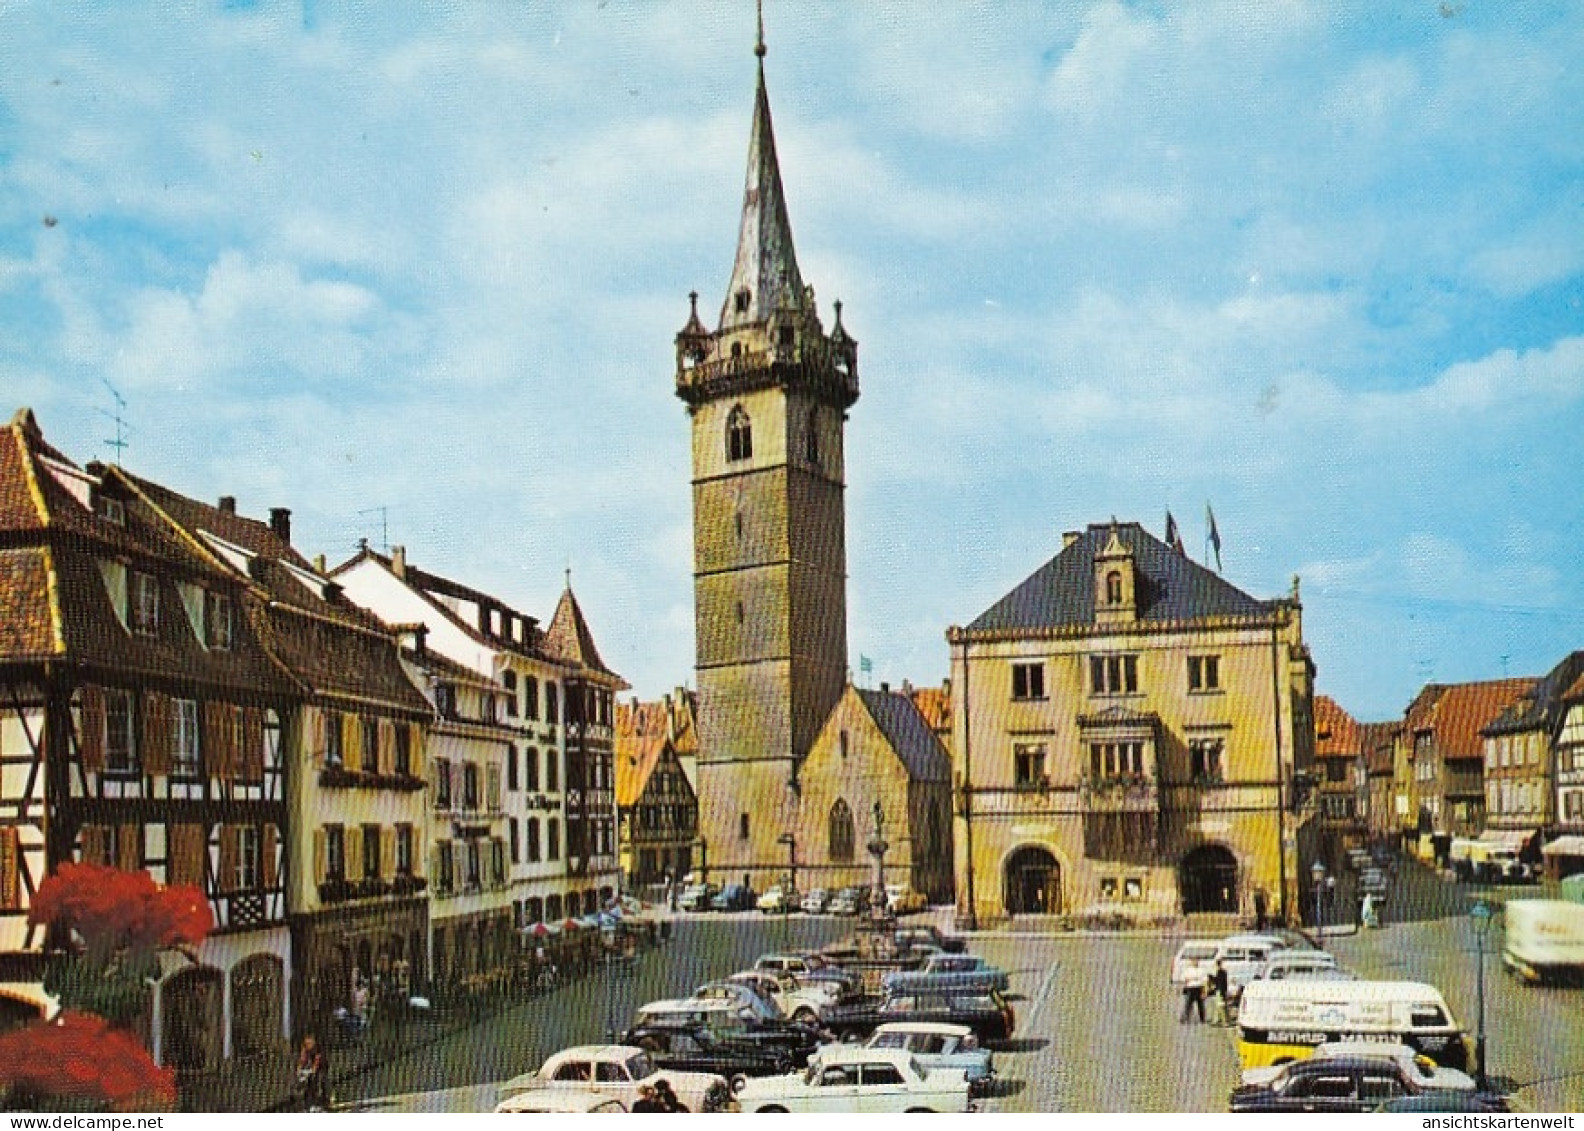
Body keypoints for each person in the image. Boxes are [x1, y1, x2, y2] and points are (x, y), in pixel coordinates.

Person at [297, 1033, 330, 1111]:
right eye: (306, 1044)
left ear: (313, 1042)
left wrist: (311, 1071)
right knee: (308, 1085)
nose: (307, 1045)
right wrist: (299, 1070)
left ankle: (326, 1099)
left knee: (321, 1080)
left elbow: (317, 1062)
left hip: (322, 1066)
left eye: (309, 1043)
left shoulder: (318, 1049)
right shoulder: (305, 1049)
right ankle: (308, 1103)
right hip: (311, 1066)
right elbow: (302, 1060)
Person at [1210, 961, 1231, 1026]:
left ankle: (1225, 1022)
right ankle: (1216, 1020)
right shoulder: (1223, 972)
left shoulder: (1220, 972)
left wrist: (1211, 978)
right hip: (1221, 991)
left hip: (1220, 991)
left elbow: (1219, 982)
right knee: (1218, 1006)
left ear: (1217, 965)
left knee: (1220, 1006)